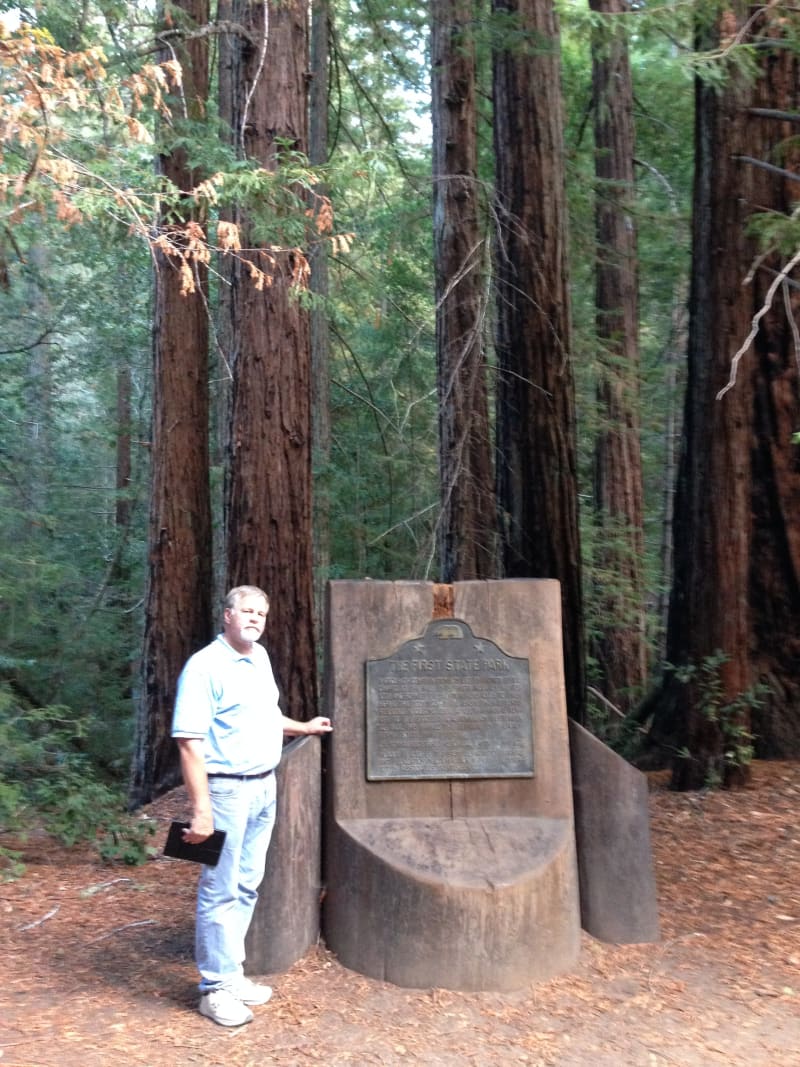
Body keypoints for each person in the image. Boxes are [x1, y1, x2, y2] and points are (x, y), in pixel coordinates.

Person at [171, 584, 332, 1028]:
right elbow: (188, 742)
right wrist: (201, 808)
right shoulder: (204, 668)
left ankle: (231, 974)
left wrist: (303, 727)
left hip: (264, 786)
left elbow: (264, 715)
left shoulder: (258, 658)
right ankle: (215, 990)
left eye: (261, 612)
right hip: (225, 793)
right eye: (246, 610)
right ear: (227, 615)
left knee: (245, 885)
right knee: (219, 890)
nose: (255, 618)